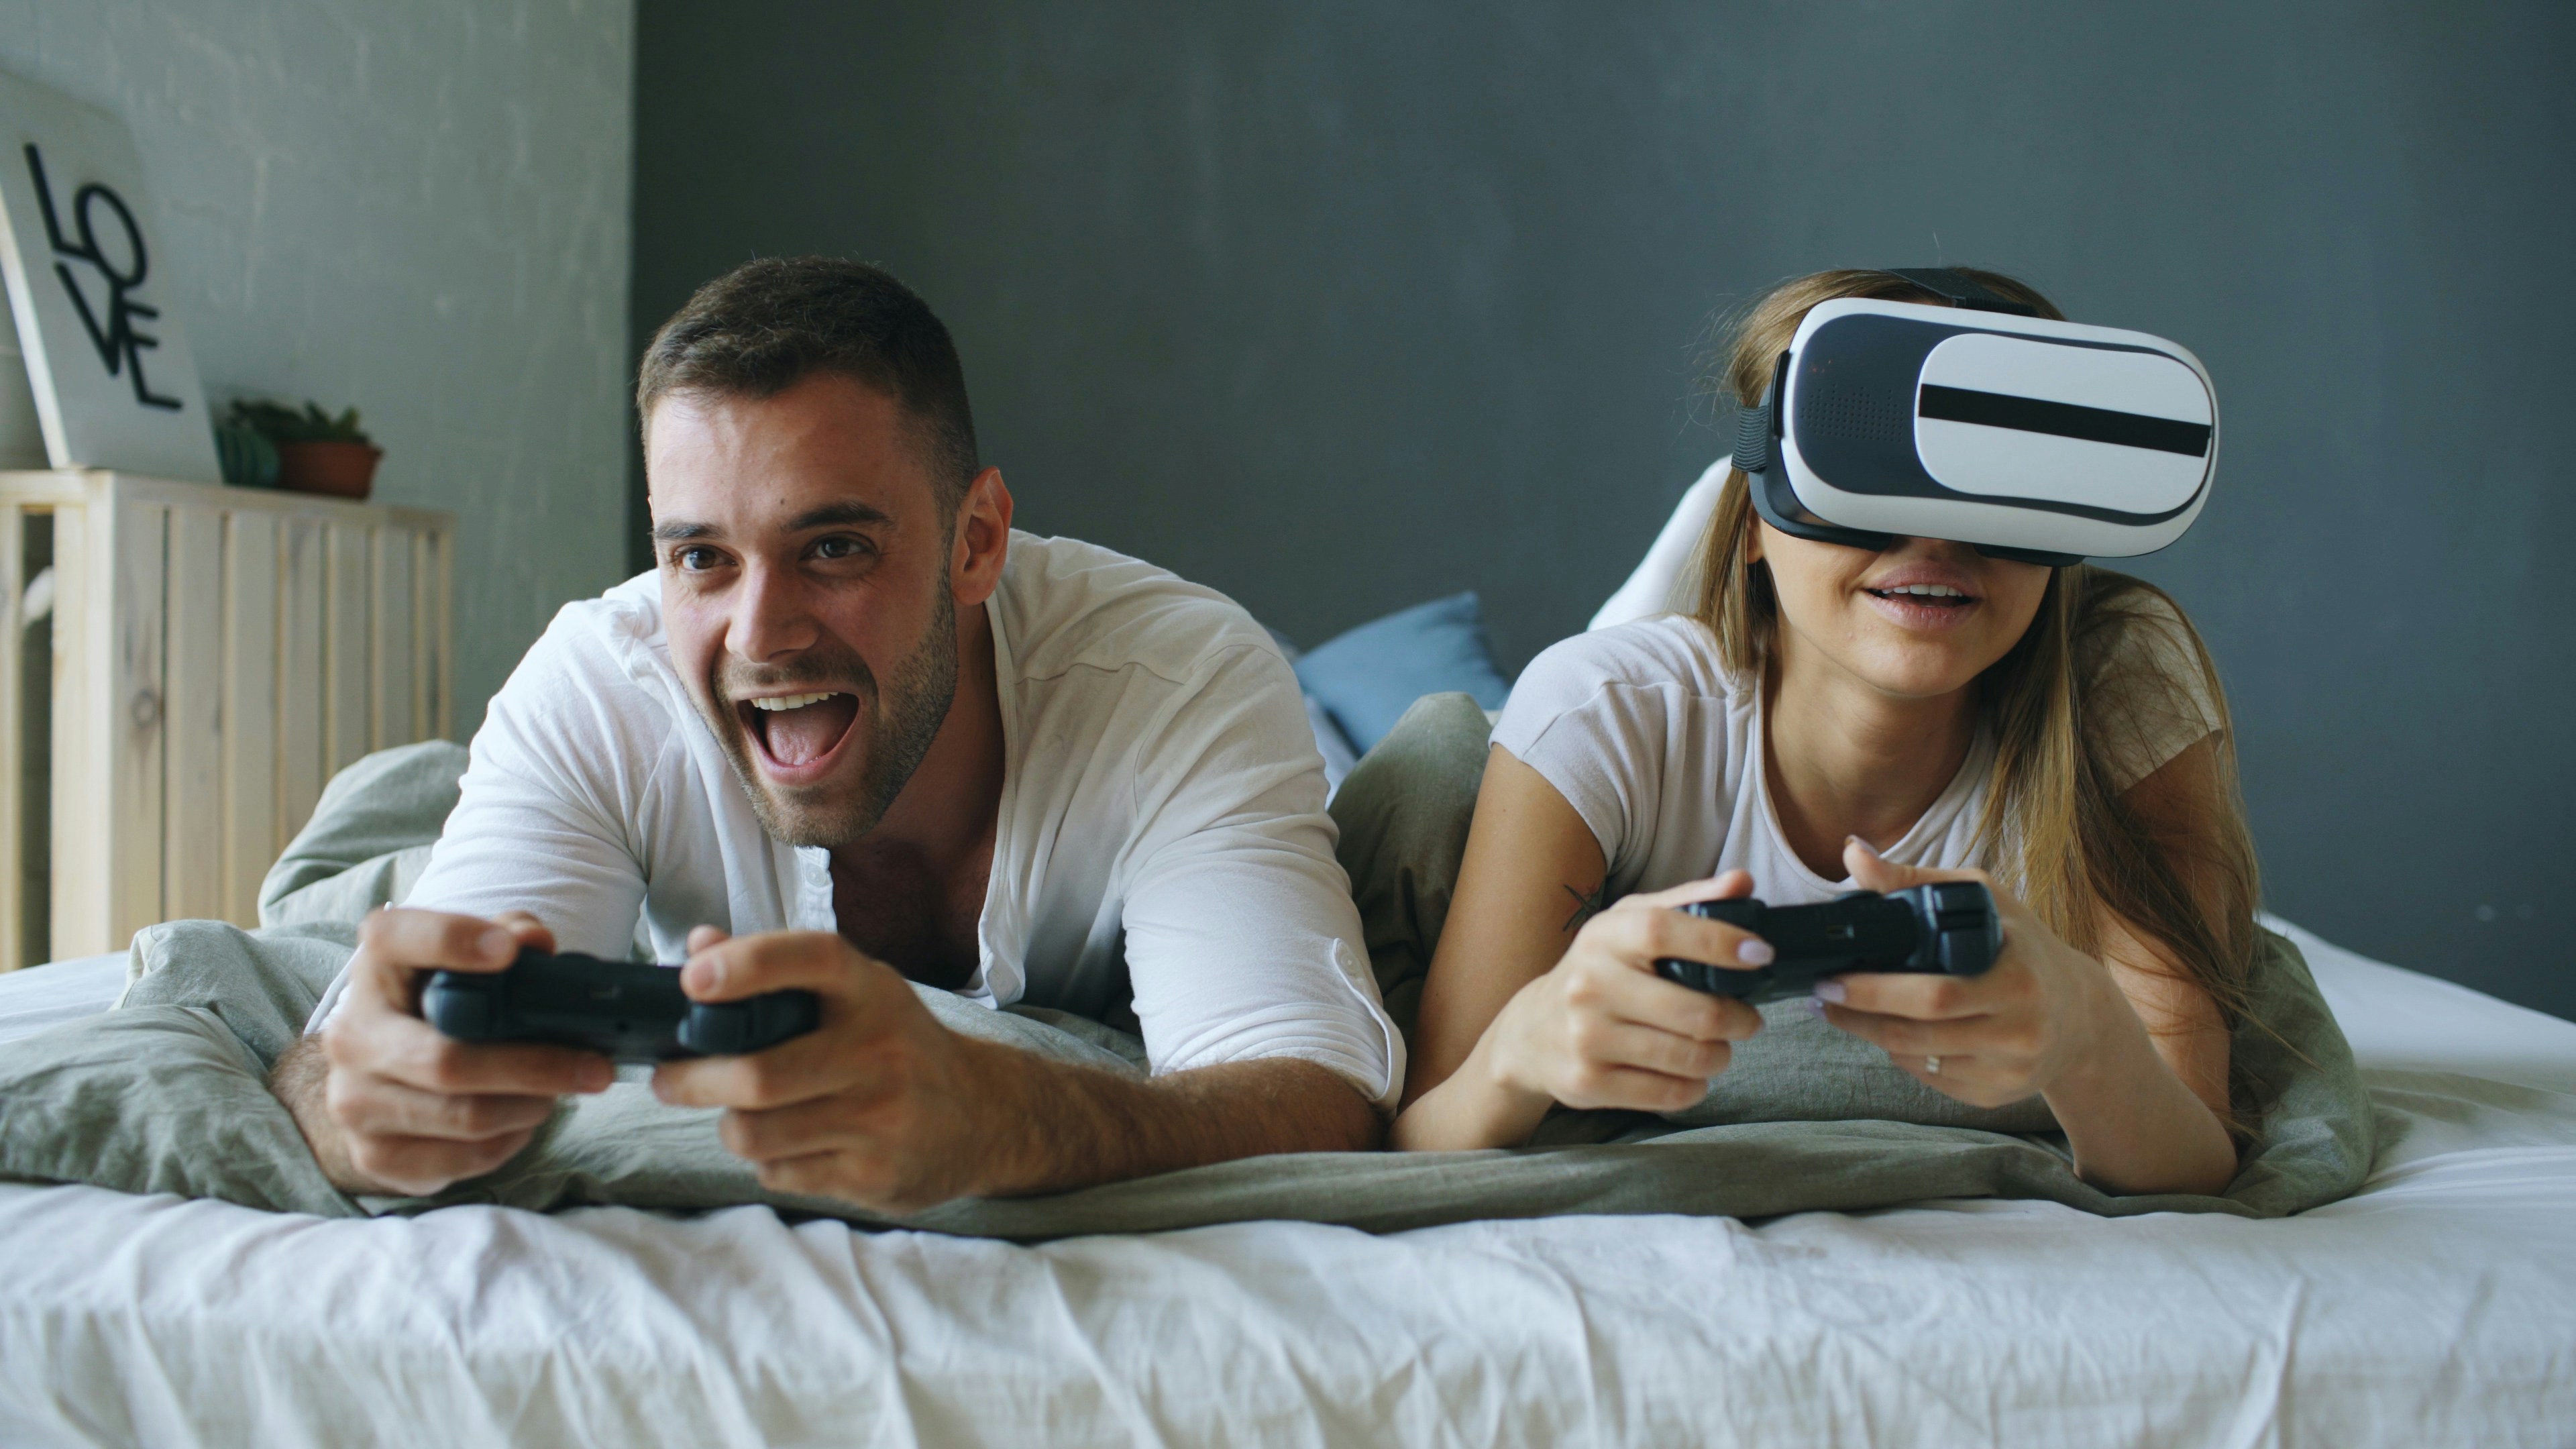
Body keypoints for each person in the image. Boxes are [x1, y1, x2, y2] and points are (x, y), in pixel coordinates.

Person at [269, 257, 1399, 1209]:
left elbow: (1307, 1094)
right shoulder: (601, 686)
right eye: (700, 558)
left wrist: (1006, 1114)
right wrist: (350, 1100)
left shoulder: (1181, 681)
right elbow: (358, 1054)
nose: (760, 635)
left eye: (835, 549)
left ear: (978, 542)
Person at [1390, 268, 2259, 1195]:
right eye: (1868, 469)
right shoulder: (1602, 707)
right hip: (1622, 715)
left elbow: (2194, 1148)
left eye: (1996, 483)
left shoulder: (2116, 689)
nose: (1935, 539)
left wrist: (2088, 1036)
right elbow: (1424, 1138)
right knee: (1441, 744)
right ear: (1757, 521)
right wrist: (1518, 1058)